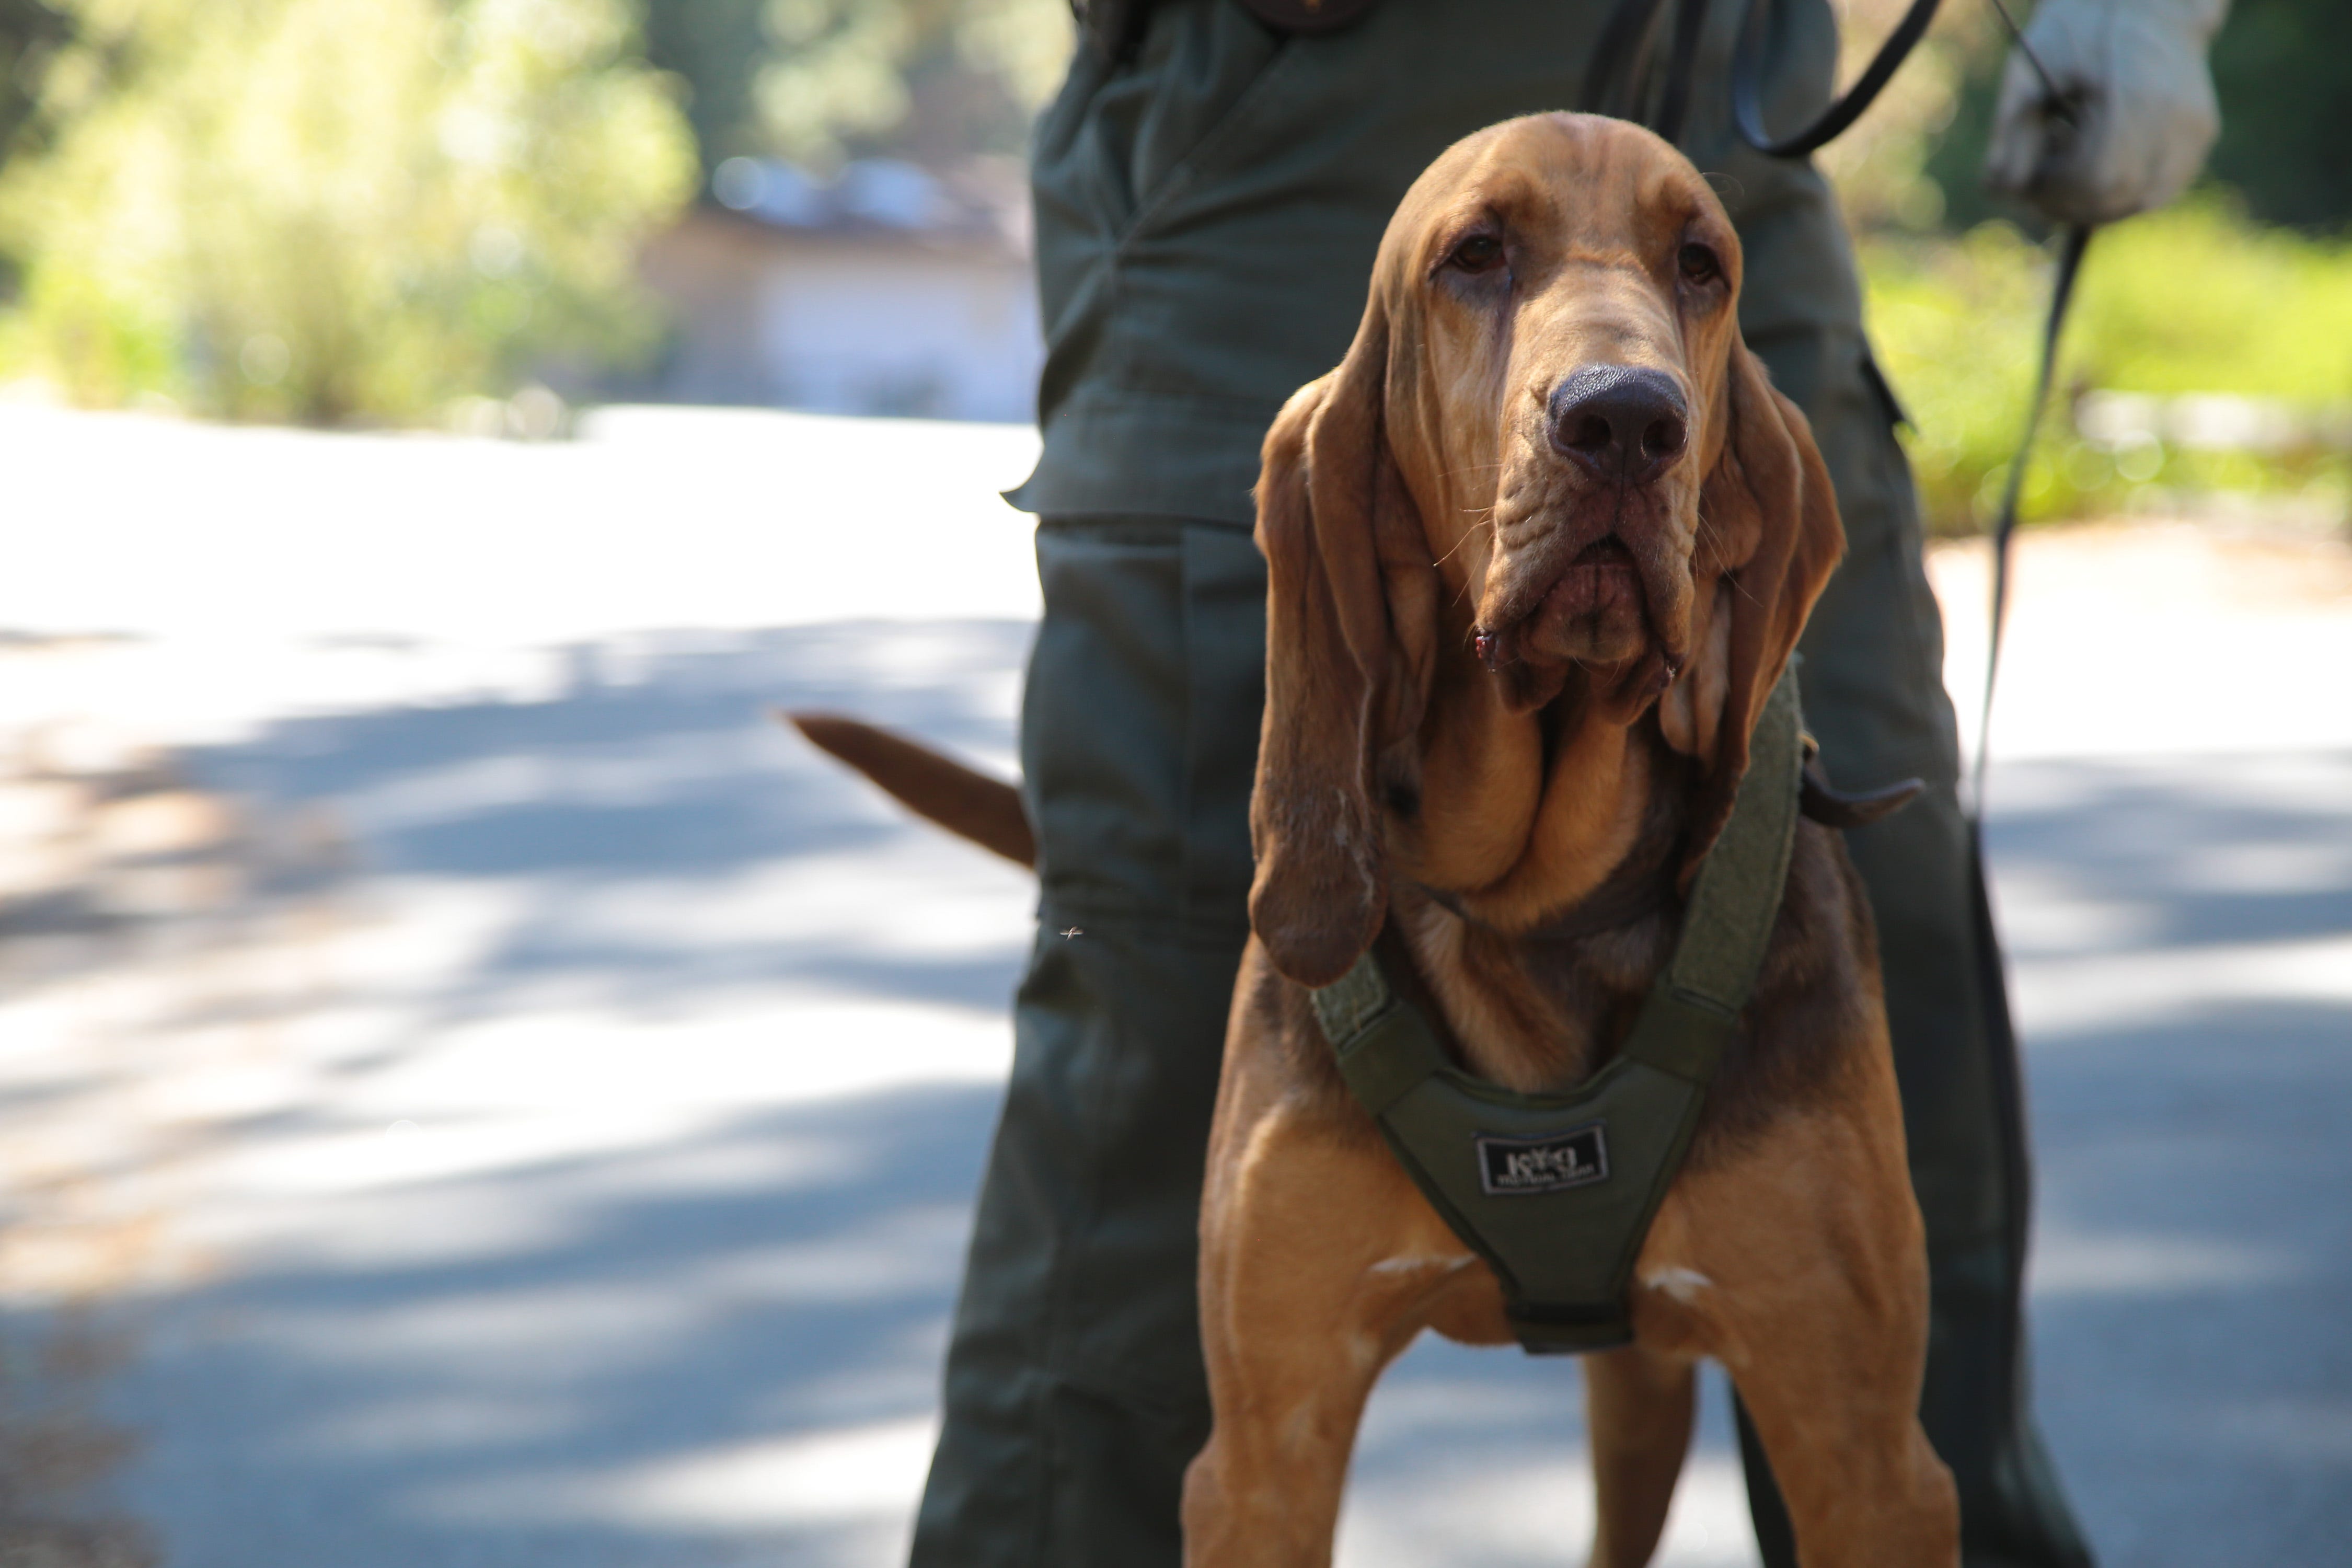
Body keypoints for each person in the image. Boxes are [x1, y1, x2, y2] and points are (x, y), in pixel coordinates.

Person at [906, 2, 2232, 1564]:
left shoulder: (1728, 375)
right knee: (1149, 1018)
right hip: (1282, 115)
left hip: (1734, 114)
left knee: (1896, 921)